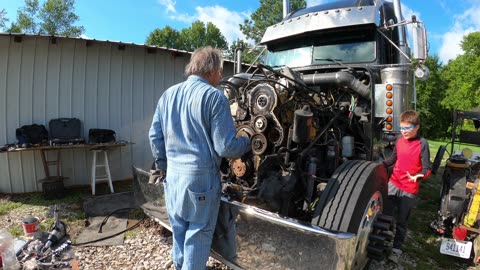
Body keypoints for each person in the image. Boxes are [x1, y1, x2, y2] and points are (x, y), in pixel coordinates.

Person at [149, 46, 251, 270]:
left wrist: (164, 167)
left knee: (179, 231)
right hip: (200, 182)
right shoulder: (215, 97)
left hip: (173, 180)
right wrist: (248, 141)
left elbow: (154, 136)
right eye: (220, 71)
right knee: (197, 235)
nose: (221, 76)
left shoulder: (168, 94)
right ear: (212, 70)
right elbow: (225, 147)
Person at [382, 110, 431, 264]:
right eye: (401, 128)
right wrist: (379, 165)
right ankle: (382, 241)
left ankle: (396, 250)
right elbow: (393, 158)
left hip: (409, 188)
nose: (403, 132)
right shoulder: (399, 140)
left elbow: (427, 169)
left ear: (417, 127)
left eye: (407, 129)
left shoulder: (422, 144)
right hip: (394, 183)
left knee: (402, 221)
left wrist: (420, 176)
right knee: (385, 215)